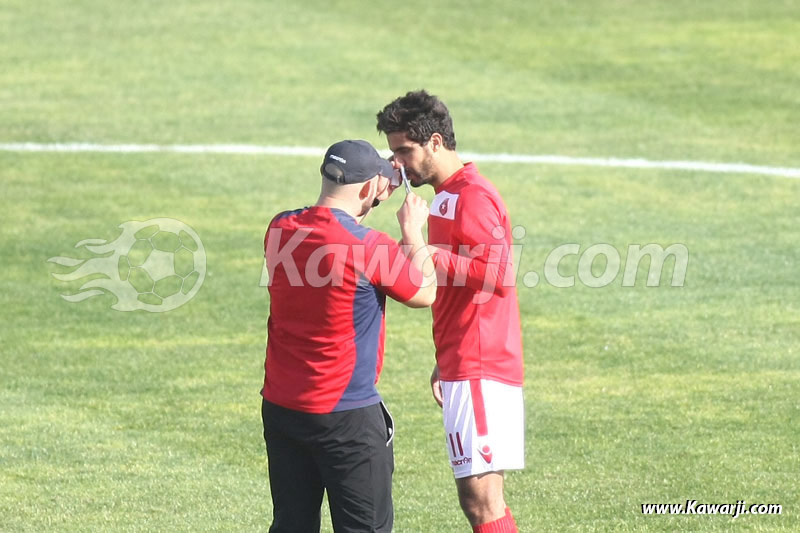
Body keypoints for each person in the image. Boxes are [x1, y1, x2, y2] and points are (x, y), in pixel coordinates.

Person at [261, 139, 437, 532]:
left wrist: (373, 187)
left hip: (282, 408)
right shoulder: (369, 246)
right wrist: (413, 231)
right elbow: (425, 292)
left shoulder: (279, 228)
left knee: (291, 525)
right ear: (366, 188)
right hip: (346, 416)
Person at [377, 91, 524, 532]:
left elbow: (498, 273)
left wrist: (420, 247)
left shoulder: (472, 196)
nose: (397, 163)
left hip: (482, 363)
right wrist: (445, 358)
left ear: (435, 142)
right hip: (465, 359)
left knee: (481, 501)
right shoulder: (447, 195)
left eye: (404, 150)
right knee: (481, 501)